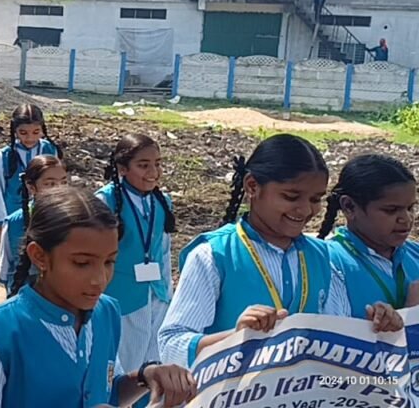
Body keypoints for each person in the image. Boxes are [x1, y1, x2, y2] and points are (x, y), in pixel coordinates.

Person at [158, 134, 403, 368]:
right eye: (291, 196)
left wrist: (376, 328)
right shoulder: (214, 255)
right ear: (252, 186)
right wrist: (235, 337)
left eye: (315, 199)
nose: (306, 210)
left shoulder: (322, 257)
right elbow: (171, 345)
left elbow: (335, 336)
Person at [0, 187, 198, 408]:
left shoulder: (105, 312)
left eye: (109, 262)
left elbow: (106, 390)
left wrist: (146, 377)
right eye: (82, 263)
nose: (99, 279)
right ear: (39, 256)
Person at [95, 134, 175, 375]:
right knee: (127, 366)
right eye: (143, 165)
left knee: (155, 361)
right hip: (122, 295)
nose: (153, 171)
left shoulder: (162, 201)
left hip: (156, 293)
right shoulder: (105, 201)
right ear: (122, 168)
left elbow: (164, 249)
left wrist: (167, 290)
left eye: (158, 163)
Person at [318, 154, 419, 316]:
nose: (406, 219)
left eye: (410, 208)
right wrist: (413, 313)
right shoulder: (329, 264)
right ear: (349, 207)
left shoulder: (415, 255)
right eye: (391, 210)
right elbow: (337, 336)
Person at [0, 155, 68, 287]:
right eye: (50, 184)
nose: (59, 189)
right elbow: (7, 270)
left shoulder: (78, 220)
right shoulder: (14, 223)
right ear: (31, 187)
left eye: (64, 182)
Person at [0, 104, 61, 228]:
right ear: (15, 131)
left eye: (36, 132)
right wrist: (1, 222)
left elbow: (57, 182)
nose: (30, 138)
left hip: (44, 213)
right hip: (13, 215)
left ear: (42, 129)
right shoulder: (4, 156)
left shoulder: (50, 150)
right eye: (23, 133)